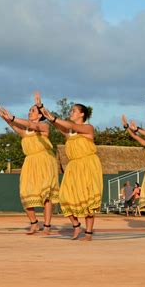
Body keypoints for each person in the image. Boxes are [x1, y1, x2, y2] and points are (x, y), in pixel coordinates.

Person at [35, 92, 102, 241]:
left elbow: (69, 124)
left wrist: (53, 117)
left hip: (88, 164)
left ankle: (89, 233)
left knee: (88, 198)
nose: (70, 112)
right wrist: (41, 107)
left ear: (82, 114)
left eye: (73, 110)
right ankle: (77, 226)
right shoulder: (69, 132)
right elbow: (57, 124)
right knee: (64, 196)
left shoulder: (88, 128)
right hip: (73, 166)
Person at [0, 94, 59, 235]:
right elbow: (10, 123)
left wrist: (14, 117)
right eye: (29, 110)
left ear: (40, 116)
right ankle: (34, 223)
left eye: (33, 111)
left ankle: (47, 226)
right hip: (30, 162)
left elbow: (31, 125)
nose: (29, 112)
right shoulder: (25, 133)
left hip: (45, 160)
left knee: (46, 194)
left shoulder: (44, 126)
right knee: (25, 192)